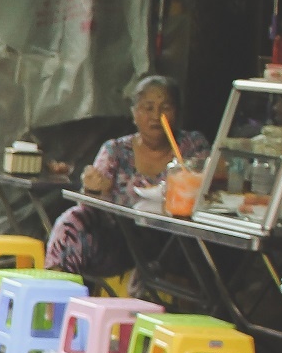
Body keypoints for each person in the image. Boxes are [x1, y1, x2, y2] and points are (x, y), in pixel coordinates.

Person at [46, 75, 210, 280]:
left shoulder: (192, 146)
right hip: (122, 242)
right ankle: (56, 291)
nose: (157, 115)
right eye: (148, 108)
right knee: (72, 220)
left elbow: (205, 184)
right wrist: (94, 188)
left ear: (177, 112)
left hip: (174, 242)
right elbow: (90, 203)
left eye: (165, 108)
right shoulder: (115, 150)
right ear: (134, 113)